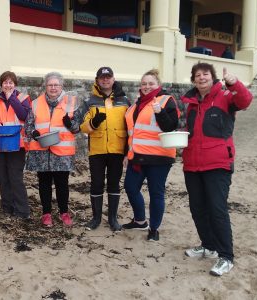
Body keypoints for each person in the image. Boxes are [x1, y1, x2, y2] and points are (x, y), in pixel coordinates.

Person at [181, 63, 252, 276]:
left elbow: (245, 101)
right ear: (193, 80)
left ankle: (226, 256)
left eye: (205, 74)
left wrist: (234, 83)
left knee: (217, 209)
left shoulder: (225, 96)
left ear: (212, 78)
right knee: (197, 208)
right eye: (197, 75)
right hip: (192, 164)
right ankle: (208, 246)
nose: (201, 78)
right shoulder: (191, 104)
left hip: (218, 163)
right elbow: (191, 132)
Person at [122, 69, 180, 241]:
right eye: (144, 84)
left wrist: (159, 112)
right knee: (131, 188)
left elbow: (171, 127)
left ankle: (154, 228)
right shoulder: (135, 104)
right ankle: (140, 221)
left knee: (156, 193)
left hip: (159, 158)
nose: (147, 87)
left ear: (158, 85)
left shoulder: (166, 100)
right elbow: (132, 132)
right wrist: (127, 153)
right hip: (137, 156)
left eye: (151, 83)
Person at [25, 72, 81, 227]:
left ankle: (64, 213)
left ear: (61, 86)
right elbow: (28, 125)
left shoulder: (71, 102)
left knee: (62, 183)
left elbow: (77, 129)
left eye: (56, 85)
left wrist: (70, 124)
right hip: (41, 151)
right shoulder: (36, 103)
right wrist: (34, 133)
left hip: (62, 152)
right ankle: (46, 214)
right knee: (44, 183)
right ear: (46, 86)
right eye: (50, 85)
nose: (53, 88)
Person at [79, 67, 130, 231]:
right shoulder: (90, 101)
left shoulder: (125, 101)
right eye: (102, 78)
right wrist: (93, 124)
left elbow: (131, 126)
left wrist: (129, 150)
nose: (105, 80)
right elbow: (82, 126)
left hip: (117, 149)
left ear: (113, 79)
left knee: (114, 184)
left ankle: (113, 219)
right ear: (97, 80)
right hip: (97, 150)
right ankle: (96, 218)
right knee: (96, 184)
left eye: (108, 77)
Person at [0, 71, 32, 220]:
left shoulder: (23, 98)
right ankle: (7, 209)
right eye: (5, 82)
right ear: (1, 85)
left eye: (10, 82)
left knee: (15, 178)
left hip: (17, 144)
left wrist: (11, 98)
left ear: (15, 84)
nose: (8, 85)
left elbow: (25, 116)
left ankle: (22, 211)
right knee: (3, 178)